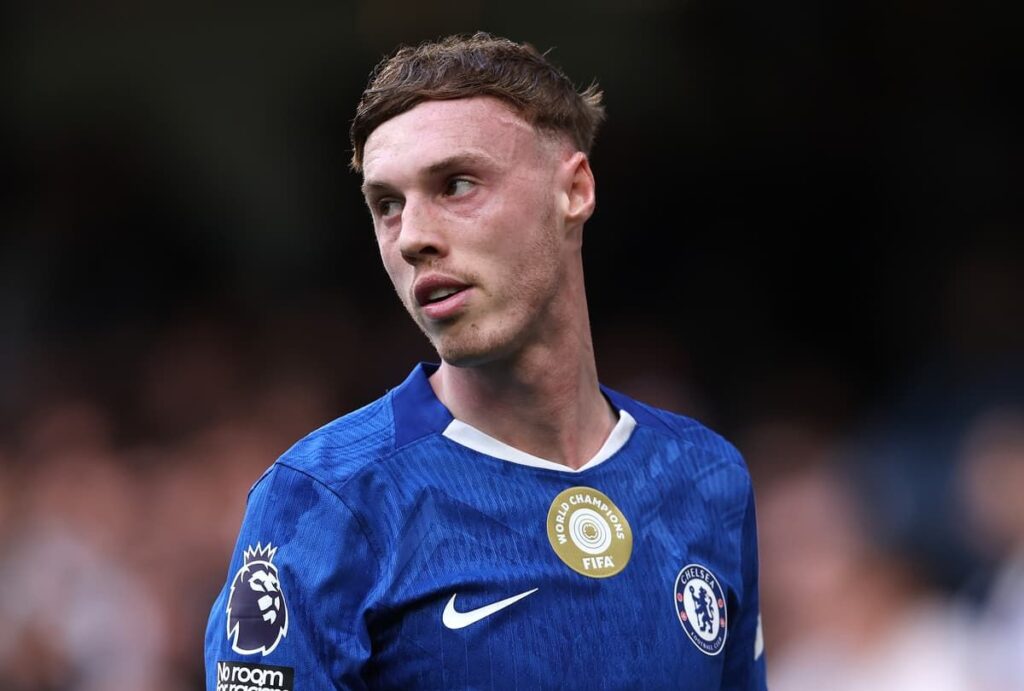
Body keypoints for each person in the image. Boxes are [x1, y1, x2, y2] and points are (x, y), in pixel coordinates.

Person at [205, 32, 767, 690]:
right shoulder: (321, 501)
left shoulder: (707, 477)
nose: (413, 236)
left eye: (457, 184)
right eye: (387, 204)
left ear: (575, 190)